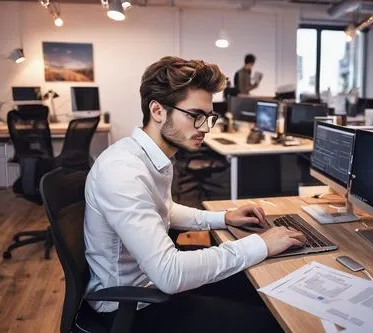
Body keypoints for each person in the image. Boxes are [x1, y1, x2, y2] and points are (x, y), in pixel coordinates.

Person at [84, 56, 304, 333]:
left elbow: (165, 209)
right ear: (158, 110)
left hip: (150, 282)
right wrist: (260, 244)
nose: (204, 128)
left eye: (208, 117)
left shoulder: (150, 155)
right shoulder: (123, 171)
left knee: (263, 287)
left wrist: (224, 218)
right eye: (195, 116)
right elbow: (170, 274)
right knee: (270, 323)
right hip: (131, 307)